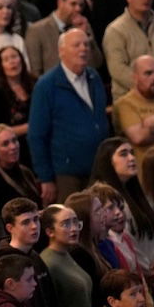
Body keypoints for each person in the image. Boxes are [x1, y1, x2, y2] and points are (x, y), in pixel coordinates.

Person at [29, 28, 110, 204]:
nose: (83, 49)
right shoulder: (46, 85)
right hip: (66, 173)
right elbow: (36, 135)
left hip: (97, 169)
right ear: (61, 51)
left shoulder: (93, 77)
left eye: (86, 45)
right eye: (76, 45)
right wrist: (45, 178)